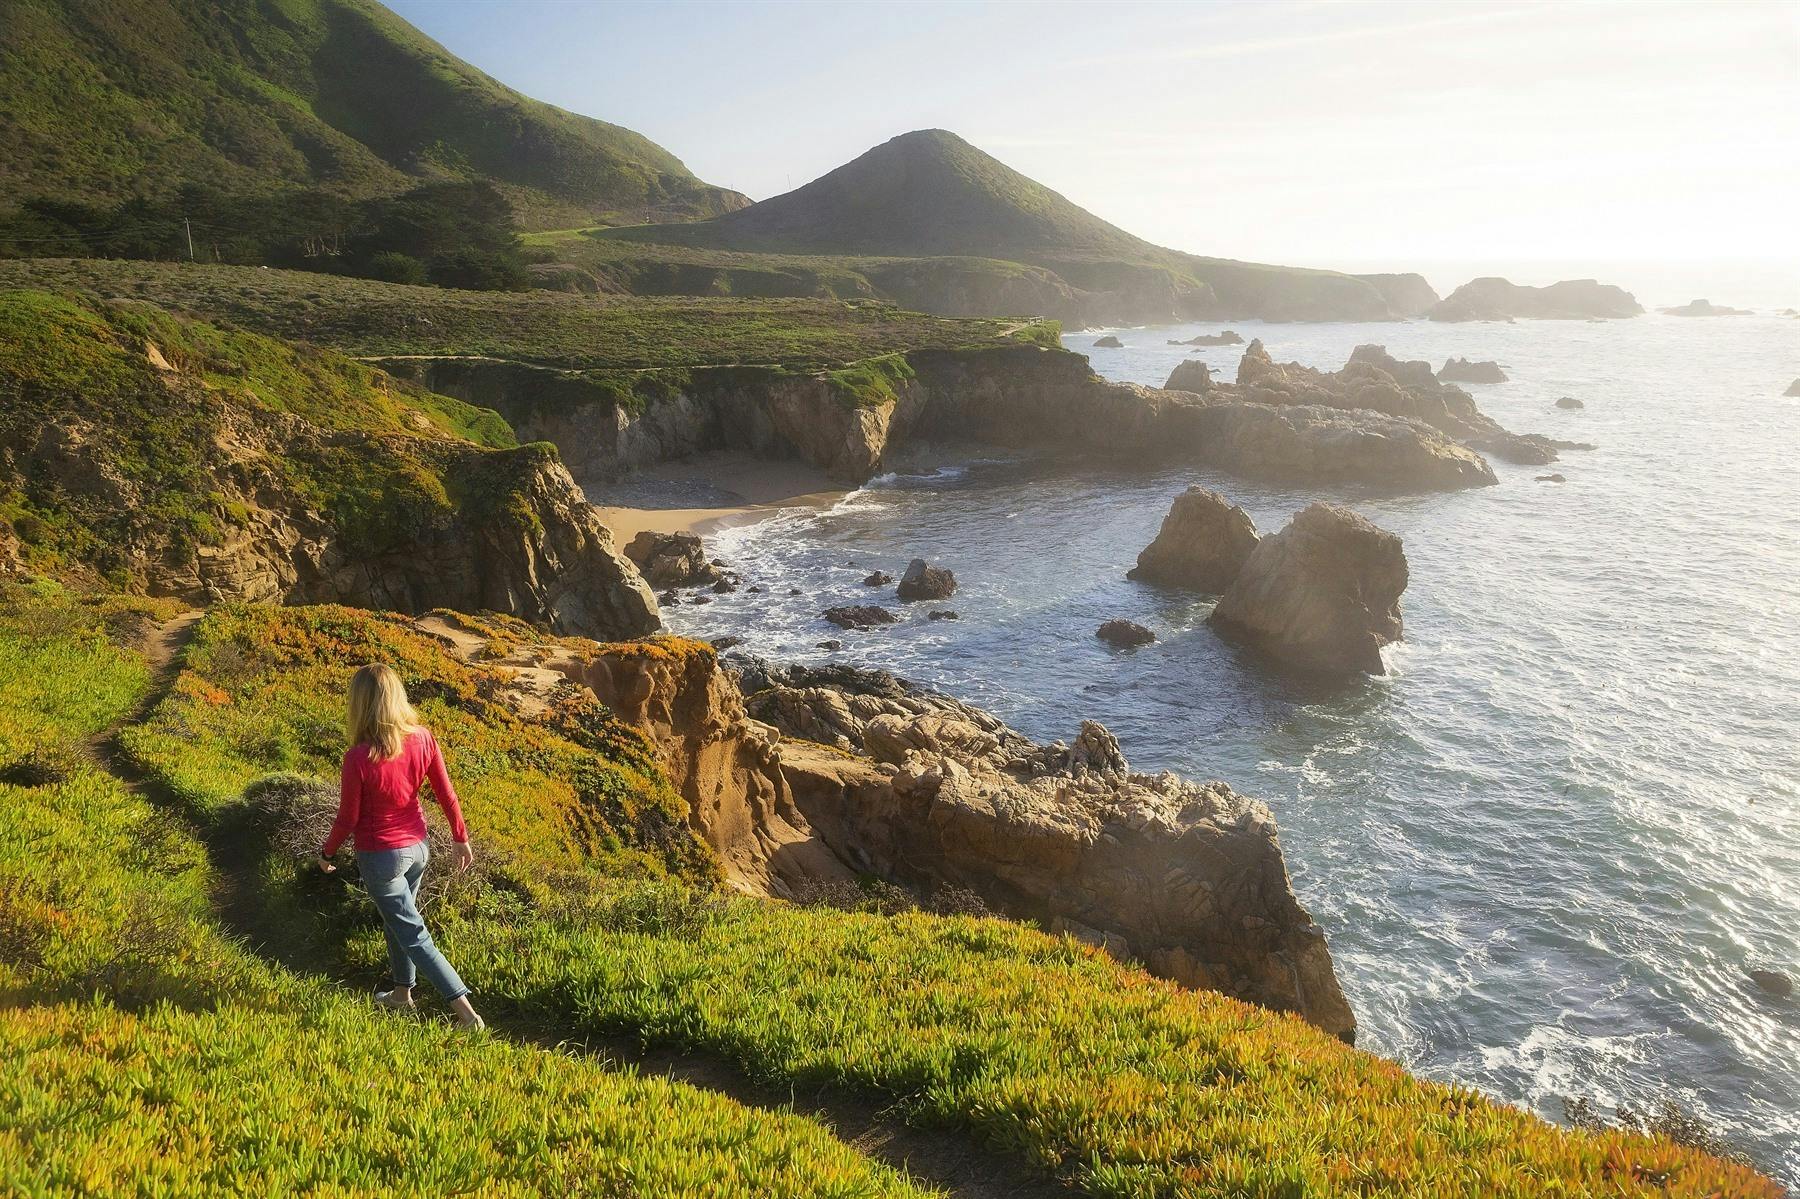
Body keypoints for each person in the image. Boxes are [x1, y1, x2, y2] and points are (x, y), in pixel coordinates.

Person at [319, 663, 484, 1030]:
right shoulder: (422, 737)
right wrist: (460, 838)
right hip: (418, 850)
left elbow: (348, 818)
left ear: (360, 704)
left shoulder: (359, 757)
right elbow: (446, 794)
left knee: (412, 932)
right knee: (399, 925)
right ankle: (401, 995)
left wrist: (327, 853)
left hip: (381, 857)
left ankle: (467, 1016)